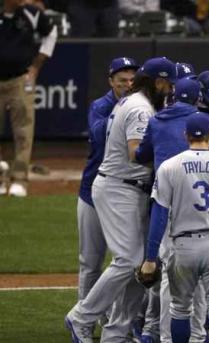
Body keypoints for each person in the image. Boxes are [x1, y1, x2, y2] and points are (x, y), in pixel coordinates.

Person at [65, 57, 176, 343]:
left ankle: (116, 333)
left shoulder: (138, 102)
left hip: (129, 188)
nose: (169, 88)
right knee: (129, 261)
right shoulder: (140, 108)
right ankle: (82, 317)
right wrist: (170, 151)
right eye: (166, 82)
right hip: (119, 188)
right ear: (156, 81)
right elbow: (135, 152)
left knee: (142, 267)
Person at [139, 114, 209, 343]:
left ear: (186, 136)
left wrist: (151, 257)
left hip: (183, 247)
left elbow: (159, 216)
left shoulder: (169, 167)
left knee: (180, 309)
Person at [135, 77, 209, 343]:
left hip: (167, 201)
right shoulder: (206, 122)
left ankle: (160, 334)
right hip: (205, 211)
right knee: (200, 279)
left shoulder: (157, 121)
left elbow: (140, 154)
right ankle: (198, 336)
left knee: (168, 275)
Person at [76, 57, 138, 305]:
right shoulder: (100, 106)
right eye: (122, 80)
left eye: (132, 80)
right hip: (92, 191)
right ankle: (85, 319)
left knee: (125, 260)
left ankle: (117, 319)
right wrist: (125, 112)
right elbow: (100, 136)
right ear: (111, 81)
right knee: (90, 261)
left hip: (123, 194)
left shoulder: (141, 107)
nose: (128, 84)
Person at [0, 0, 57, 196]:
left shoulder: (31, 13)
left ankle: (19, 179)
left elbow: (51, 33)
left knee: (23, 131)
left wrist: (36, 66)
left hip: (20, 79)